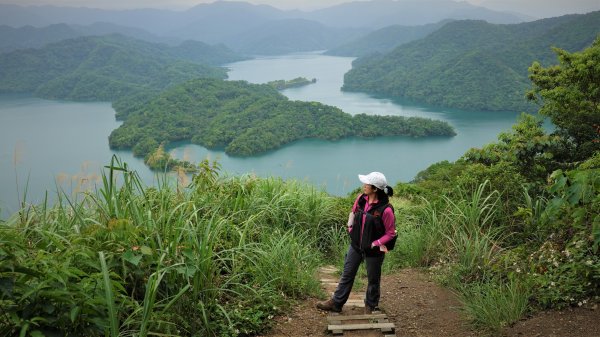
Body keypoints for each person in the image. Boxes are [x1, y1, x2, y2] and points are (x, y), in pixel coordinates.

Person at [316, 171, 396, 314]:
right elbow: (353, 213)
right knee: (347, 273)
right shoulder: (360, 199)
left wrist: (375, 243)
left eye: (367, 184)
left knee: (373, 279)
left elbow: (390, 233)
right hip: (356, 246)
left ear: (375, 188)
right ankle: (336, 302)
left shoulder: (386, 210)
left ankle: (370, 306)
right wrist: (350, 227)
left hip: (374, 250)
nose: (364, 186)